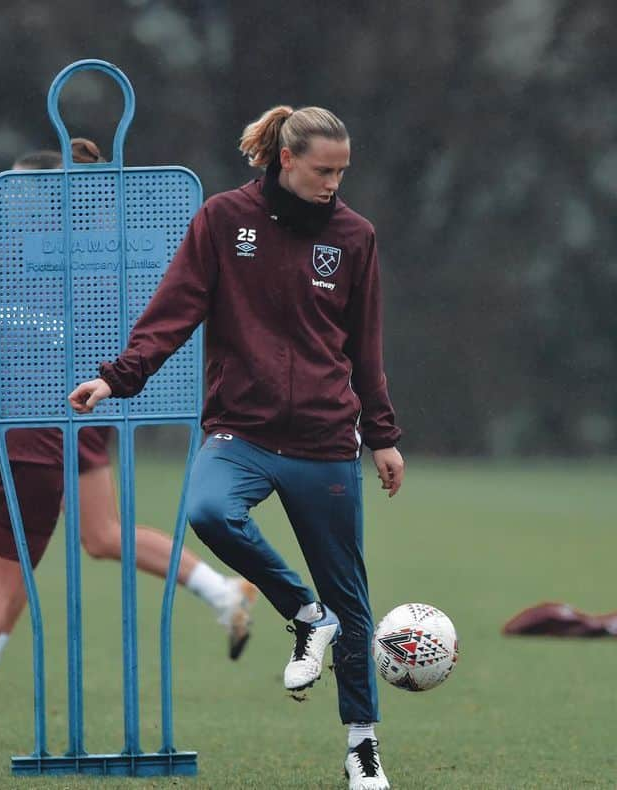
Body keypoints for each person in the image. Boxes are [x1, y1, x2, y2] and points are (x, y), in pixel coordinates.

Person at [69, 106, 404, 790]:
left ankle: (362, 748)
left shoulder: (356, 238)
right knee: (208, 512)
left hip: (325, 440)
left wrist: (385, 438)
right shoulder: (224, 220)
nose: (334, 184)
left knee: (354, 597)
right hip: (240, 431)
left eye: (342, 171)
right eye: (322, 170)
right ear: (286, 159)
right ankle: (305, 616)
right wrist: (114, 377)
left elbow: (366, 350)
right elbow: (173, 310)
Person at [0, 139, 255, 752]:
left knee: (22, 549)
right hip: (50, 417)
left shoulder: (6, 255)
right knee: (26, 569)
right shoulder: (91, 261)